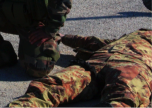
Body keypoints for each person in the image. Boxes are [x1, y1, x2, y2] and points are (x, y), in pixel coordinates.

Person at [8, 29, 152, 108]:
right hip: (94, 65)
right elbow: (93, 42)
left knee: (126, 95)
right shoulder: (136, 35)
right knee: (52, 86)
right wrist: (64, 37)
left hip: (132, 66)